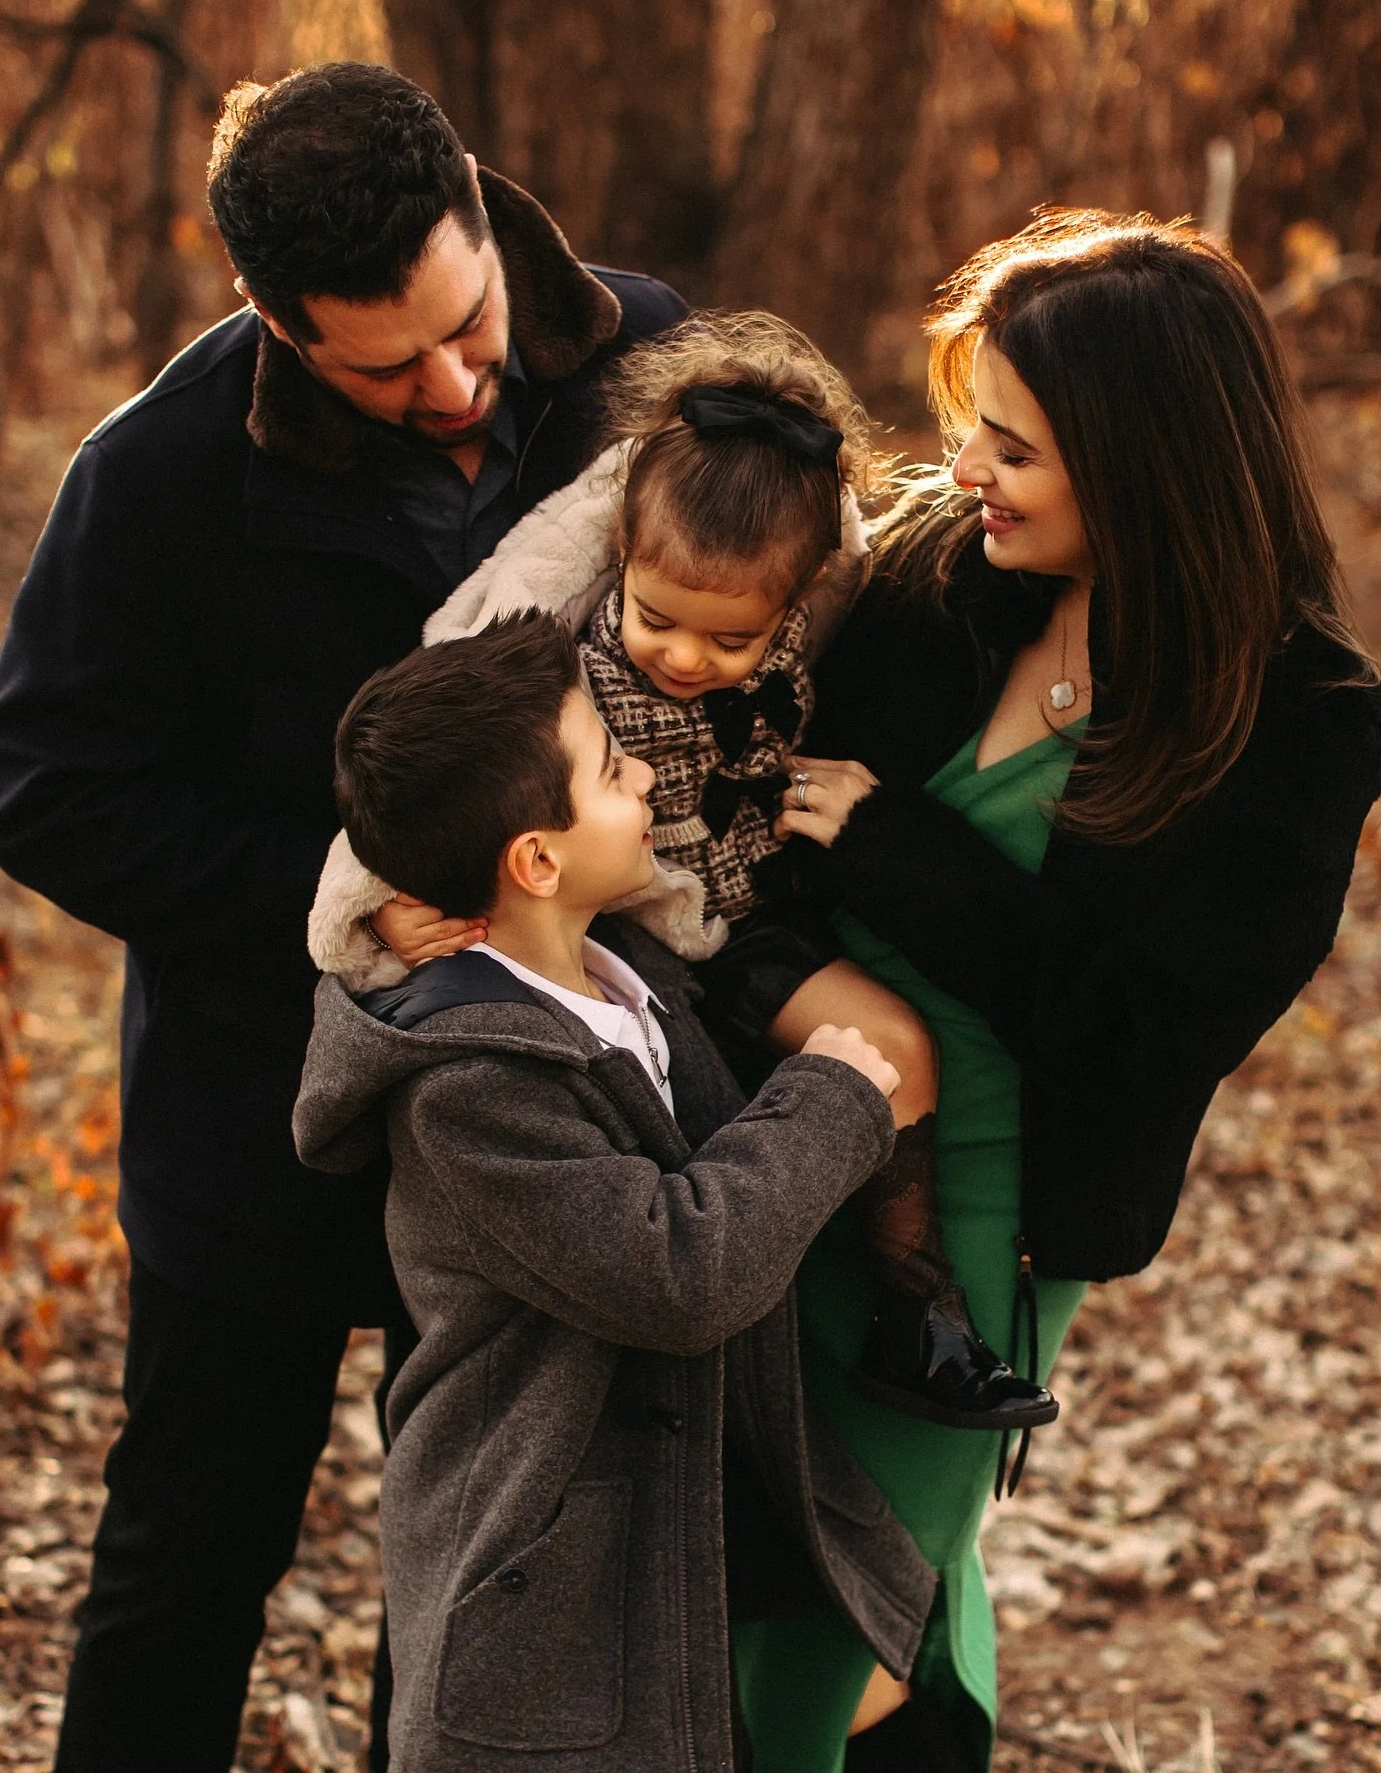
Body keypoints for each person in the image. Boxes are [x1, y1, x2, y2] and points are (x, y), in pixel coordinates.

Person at [0, 62, 686, 1773]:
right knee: (183, 1568)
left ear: (477, 196)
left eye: (469, 324)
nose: (455, 385)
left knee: (471, 1587)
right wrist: (348, 909)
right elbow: (48, 789)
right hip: (257, 1131)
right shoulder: (149, 478)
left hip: (547, 1115)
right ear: (279, 326)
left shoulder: (651, 354)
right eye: (388, 366)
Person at [725, 212, 1381, 1771]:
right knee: (760, 1569)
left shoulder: (1301, 718)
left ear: (1143, 459)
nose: (968, 469)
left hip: (974, 1228)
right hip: (775, 1136)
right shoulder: (934, 577)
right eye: (971, 425)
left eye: (1013, 446)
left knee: (854, 1592)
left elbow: (1148, 1035)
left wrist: (898, 850)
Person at [309, 310, 1056, 1434]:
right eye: (659, 620)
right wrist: (370, 917)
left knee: (897, 1048)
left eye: (734, 642)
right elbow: (426, 742)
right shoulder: (555, 630)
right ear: (623, 559)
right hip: (615, 933)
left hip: (744, 915)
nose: (687, 658)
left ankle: (920, 1316)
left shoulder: (818, 589)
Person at [293, 608, 937, 1772]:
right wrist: (832, 1095)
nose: (646, 770)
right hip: (539, 1590)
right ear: (536, 858)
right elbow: (677, 1268)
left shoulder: (625, 970)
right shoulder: (467, 1083)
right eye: (609, 764)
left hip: (658, 1550)